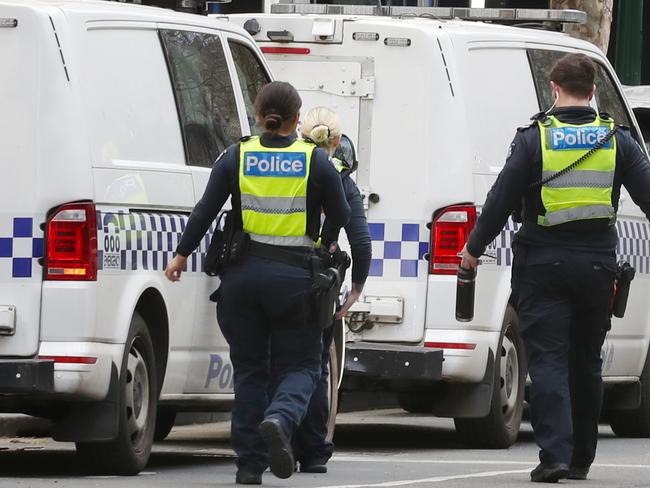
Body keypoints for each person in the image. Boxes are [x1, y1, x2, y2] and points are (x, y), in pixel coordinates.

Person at [459, 53, 650, 483]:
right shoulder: (615, 140)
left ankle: (556, 456)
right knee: (586, 362)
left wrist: (473, 249)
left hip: (543, 265)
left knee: (547, 361)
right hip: (597, 267)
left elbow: (500, 201)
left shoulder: (533, 139)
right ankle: (581, 458)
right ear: (595, 92)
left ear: (554, 89)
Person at [164, 81, 350, 485]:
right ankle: (281, 420)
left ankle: (249, 464)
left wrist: (180, 255)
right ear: (297, 119)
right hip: (296, 279)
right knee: (300, 365)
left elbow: (205, 210)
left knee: (249, 372)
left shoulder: (237, 155)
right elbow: (342, 214)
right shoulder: (315, 161)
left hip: (243, 280)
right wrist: (325, 246)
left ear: (259, 113)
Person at [293, 107, 372, 473]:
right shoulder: (341, 178)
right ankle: (310, 448)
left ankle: (267, 432)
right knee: (315, 364)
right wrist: (356, 289)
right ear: (337, 143)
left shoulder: (283, 166)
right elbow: (360, 240)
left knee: (271, 360)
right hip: (319, 282)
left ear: (300, 134)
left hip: (270, 270)